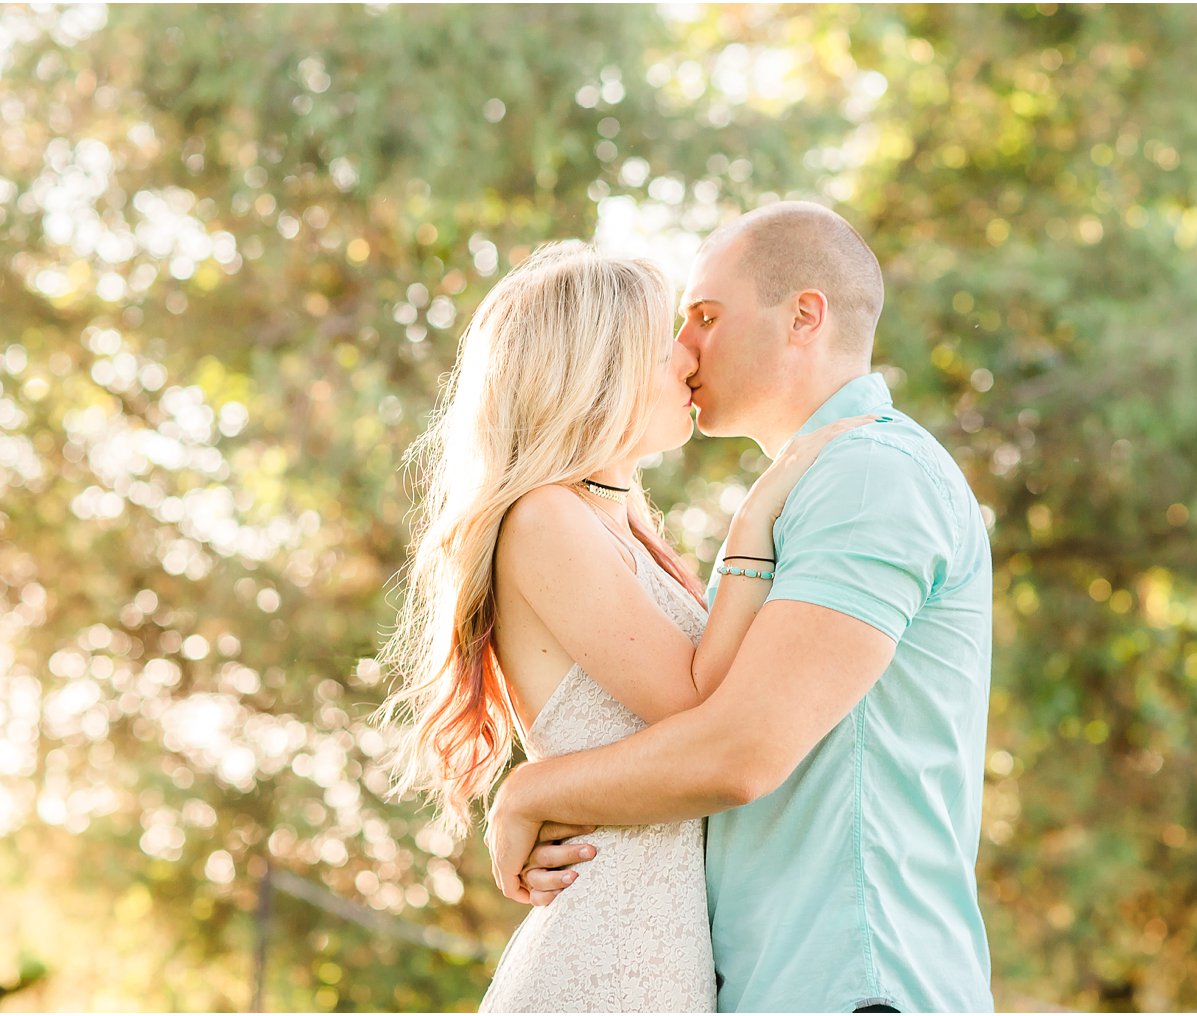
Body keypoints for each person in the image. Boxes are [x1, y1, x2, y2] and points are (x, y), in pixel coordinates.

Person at [486, 202, 996, 1013]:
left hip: (850, 982)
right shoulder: (807, 492)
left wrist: (531, 792)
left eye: (706, 318)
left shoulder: (867, 476)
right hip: (756, 979)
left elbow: (738, 750)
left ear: (804, 317)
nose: (686, 350)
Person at [369, 240, 874, 1012]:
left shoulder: (618, 517)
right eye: (663, 340)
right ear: (598, 369)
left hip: (665, 937)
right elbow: (697, 703)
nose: (687, 359)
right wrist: (756, 517)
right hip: (613, 951)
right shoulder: (546, 518)